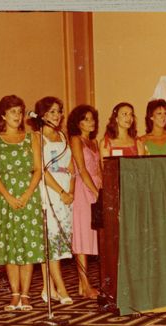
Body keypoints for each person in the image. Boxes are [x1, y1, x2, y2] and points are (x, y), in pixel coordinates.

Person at [0, 95, 44, 311]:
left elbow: (38, 169)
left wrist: (28, 194)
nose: (18, 116)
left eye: (20, 112)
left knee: (28, 245)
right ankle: (15, 294)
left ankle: (27, 294)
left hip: (28, 196)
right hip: (5, 197)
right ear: (3, 114)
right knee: (10, 246)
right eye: (13, 112)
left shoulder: (32, 138)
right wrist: (8, 196)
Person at [30, 96, 73, 305]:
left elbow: (71, 167)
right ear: (43, 115)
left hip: (66, 191)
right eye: (53, 112)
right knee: (51, 240)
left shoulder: (63, 136)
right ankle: (61, 288)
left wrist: (70, 190)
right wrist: (61, 191)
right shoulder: (37, 138)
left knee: (57, 242)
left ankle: (48, 287)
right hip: (49, 190)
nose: (57, 116)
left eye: (59, 111)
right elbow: (42, 170)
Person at [68, 105, 102, 299]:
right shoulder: (76, 139)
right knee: (82, 236)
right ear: (78, 122)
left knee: (94, 236)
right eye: (86, 119)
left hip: (96, 187)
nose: (90, 122)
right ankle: (84, 284)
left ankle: (85, 285)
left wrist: (102, 190)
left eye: (92, 119)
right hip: (84, 189)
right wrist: (94, 191)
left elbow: (98, 168)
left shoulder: (94, 142)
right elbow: (81, 168)